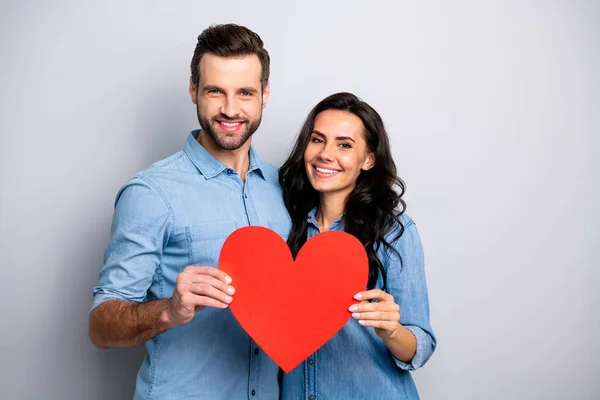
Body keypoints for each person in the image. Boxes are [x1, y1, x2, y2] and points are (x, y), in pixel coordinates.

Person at [88, 24, 291, 400]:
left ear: (264, 95)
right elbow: (100, 328)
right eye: (215, 91)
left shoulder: (285, 189)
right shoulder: (151, 192)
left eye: (245, 92)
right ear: (194, 91)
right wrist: (170, 310)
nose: (231, 109)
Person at [278, 92, 436, 399]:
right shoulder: (285, 223)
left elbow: (422, 346)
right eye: (317, 139)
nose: (325, 154)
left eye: (344, 145)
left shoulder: (394, 233)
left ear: (368, 159)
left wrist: (392, 330)